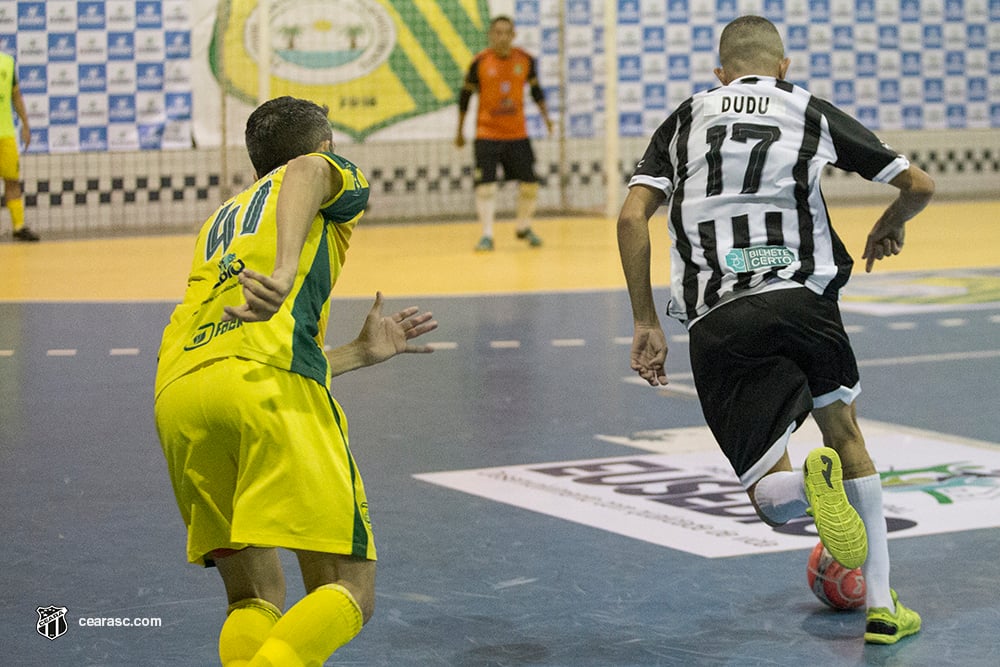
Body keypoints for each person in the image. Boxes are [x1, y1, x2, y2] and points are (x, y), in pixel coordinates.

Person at [617, 16, 933, 645]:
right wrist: (891, 222)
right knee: (845, 434)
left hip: (721, 313)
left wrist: (645, 319)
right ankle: (882, 607)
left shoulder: (686, 117)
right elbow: (918, 184)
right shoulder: (806, 108)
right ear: (782, 66)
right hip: (804, 297)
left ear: (720, 73)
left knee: (768, 496)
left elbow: (632, 218)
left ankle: (812, 495)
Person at [153, 96, 438, 666]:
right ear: (328, 144)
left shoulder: (222, 217)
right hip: (267, 388)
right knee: (348, 588)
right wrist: (285, 270)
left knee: (254, 595)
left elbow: (243, 349)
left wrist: (356, 353)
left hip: (179, 393)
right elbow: (306, 170)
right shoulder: (323, 171)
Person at [455, 15, 553, 252]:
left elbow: (537, 91)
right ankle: (487, 234)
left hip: (517, 134)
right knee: (486, 186)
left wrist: (547, 119)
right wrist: (459, 131)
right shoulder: (480, 62)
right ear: (490, 35)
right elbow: (465, 98)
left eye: (506, 32)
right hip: (486, 134)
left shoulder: (526, 60)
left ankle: (523, 226)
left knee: (530, 183)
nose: (501, 37)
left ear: (513, 35)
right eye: (497, 32)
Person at [0, 50, 39, 241]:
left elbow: (16, 96)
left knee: (12, 180)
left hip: (6, 133)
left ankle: (18, 226)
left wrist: (25, 125)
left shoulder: (7, 62)